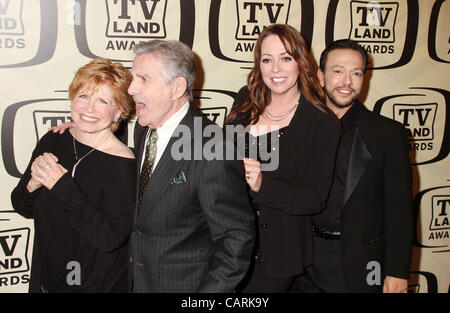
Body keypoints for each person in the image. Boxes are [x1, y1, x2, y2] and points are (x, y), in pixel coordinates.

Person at [127, 40, 255, 292]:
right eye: (133, 78)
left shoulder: (213, 147)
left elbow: (236, 240)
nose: (131, 88)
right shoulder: (143, 128)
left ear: (177, 88)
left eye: (143, 79)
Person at [290, 39, 414, 293]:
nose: (347, 81)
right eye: (338, 71)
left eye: (356, 73)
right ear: (321, 76)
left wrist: (397, 271)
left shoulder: (388, 134)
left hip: (359, 261)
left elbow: (400, 209)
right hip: (301, 259)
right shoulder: (296, 126)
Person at [224, 24, 340, 292]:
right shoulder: (244, 102)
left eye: (285, 58)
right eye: (267, 59)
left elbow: (315, 197)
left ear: (300, 62)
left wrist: (262, 184)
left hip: (276, 255)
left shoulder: (322, 124)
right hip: (228, 244)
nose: (275, 69)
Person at [11, 58, 136, 292]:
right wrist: (33, 184)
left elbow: (109, 238)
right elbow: (22, 206)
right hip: (45, 282)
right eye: (83, 96)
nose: (89, 109)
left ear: (119, 111)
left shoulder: (124, 165)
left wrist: (61, 185)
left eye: (102, 101)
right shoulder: (54, 139)